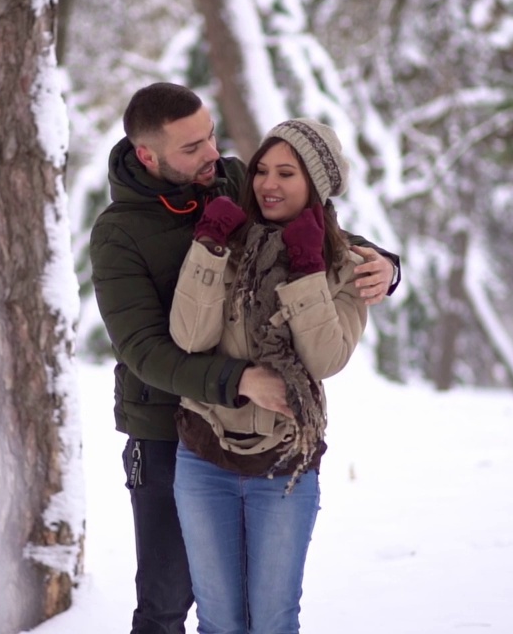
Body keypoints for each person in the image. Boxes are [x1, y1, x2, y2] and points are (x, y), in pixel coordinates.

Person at [88, 83, 400, 634]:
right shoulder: (120, 233)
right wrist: (241, 381)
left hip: (262, 433)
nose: (213, 153)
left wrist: (383, 263)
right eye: (192, 148)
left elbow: (306, 223)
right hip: (166, 428)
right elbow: (143, 352)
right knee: (165, 600)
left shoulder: (228, 179)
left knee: (255, 611)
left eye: (210, 135)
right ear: (148, 155)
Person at [169, 118, 364, 633]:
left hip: (285, 467)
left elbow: (325, 359)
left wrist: (305, 272)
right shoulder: (228, 242)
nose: (268, 184)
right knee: (219, 622)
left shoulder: (345, 265)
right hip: (205, 456)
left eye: (287, 173)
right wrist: (210, 245)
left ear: (315, 187)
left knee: (274, 621)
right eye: (261, 170)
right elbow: (189, 338)